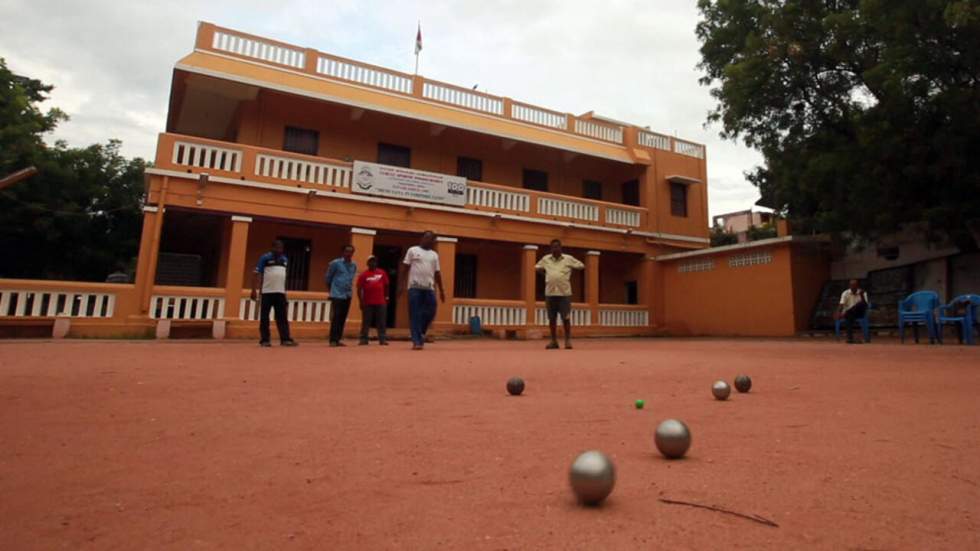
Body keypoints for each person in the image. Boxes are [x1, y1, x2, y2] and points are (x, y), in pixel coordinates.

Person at [398, 231, 446, 350]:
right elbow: (405, 268)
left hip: (429, 288)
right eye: (426, 237)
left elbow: (437, 273)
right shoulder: (412, 250)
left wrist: (442, 290)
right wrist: (401, 285)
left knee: (431, 310)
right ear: (422, 238)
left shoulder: (434, 255)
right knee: (415, 314)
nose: (428, 240)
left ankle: (421, 332)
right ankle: (417, 341)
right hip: (414, 288)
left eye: (431, 239)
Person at [535, 239, 585, 349]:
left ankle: (567, 340)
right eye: (553, 247)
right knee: (552, 319)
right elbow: (537, 268)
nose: (555, 249)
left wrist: (569, 272)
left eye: (557, 247)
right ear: (551, 248)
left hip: (564, 293)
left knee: (566, 318)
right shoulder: (546, 259)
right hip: (550, 293)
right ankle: (554, 341)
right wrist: (546, 276)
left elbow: (581, 266)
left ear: (560, 248)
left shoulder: (568, 258)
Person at [251, 240, 298, 347]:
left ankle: (285, 339)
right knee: (264, 317)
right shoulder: (265, 258)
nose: (279, 250)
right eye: (277, 248)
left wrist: (285, 294)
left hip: (280, 293)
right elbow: (256, 274)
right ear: (272, 248)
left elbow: (283, 278)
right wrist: (253, 290)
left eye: (281, 248)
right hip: (267, 292)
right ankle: (265, 340)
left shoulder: (284, 259)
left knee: (282, 317)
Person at [325, 244, 357, 347]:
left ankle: (338, 339)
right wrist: (332, 291)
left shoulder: (353, 265)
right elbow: (328, 278)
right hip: (337, 294)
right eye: (347, 251)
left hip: (347, 294)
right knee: (336, 317)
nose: (349, 254)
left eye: (351, 252)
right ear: (343, 252)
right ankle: (333, 340)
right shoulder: (335, 263)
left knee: (343, 317)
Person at [356, 255, 390, 346]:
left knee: (381, 321)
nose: (373, 263)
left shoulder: (382, 273)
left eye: (374, 261)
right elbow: (359, 289)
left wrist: (386, 297)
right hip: (367, 302)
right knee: (366, 322)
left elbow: (386, 285)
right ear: (367, 263)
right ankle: (364, 339)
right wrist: (361, 301)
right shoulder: (363, 275)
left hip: (381, 302)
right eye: (371, 261)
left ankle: (382, 339)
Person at [838, 279, 869, 344]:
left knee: (859, 304)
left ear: (857, 286)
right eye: (851, 285)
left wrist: (862, 296)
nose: (853, 287)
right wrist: (839, 313)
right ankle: (850, 338)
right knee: (849, 317)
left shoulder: (863, 293)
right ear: (849, 286)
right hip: (849, 314)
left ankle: (850, 338)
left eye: (855, 285)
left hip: (859, 313)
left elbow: (865, 305)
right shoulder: (845, 293)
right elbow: (841, 304)